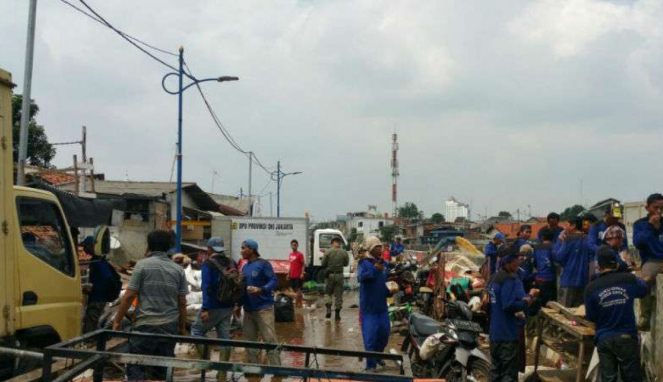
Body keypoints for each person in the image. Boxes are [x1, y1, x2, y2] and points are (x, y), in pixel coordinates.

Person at [112, 230, 188, 381]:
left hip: (144, 326)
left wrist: (117, 321)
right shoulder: (178, 270)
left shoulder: (142, 266)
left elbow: (129, 296)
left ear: (149, 245)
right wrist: (182, 327)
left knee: (136, 366)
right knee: (163, 370)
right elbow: (182, 303)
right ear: (169, 247)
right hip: (168, 327)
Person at [585, 246, 650, 382]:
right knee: (631, 378)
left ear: (599, 266)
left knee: (609, 378)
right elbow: (644, 290)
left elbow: (591, 316)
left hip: (604, 338)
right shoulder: (628, 279)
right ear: (616, 263)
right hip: (626, 337)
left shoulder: (591, 287)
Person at [487, 248, 539, 382]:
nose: (519, 263)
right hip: (507, 334)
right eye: (516, 260)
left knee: (495, 373)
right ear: (508, 261)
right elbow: (508, 305)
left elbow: (489, 304)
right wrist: (530, 297)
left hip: (495, 334)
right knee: (508, 374)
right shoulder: (509, 279)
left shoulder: (493, 278)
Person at [191, 237, 237, 379]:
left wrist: (205, 308)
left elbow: (206, 287)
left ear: (209, 249)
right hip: (228, 306)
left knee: (197, 331)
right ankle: (222, 373)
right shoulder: (232, 262)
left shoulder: (208, 263)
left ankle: (206, 362)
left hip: (212, 306)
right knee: (224, 338)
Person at [240, 239, 281, 367]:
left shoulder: (264, 264)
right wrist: (238, 304)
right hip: (248, 310)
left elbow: (274, 282)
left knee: (270, 340)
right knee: (250, 342)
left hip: (264, 309)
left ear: (251, 249)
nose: (241, 251)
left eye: (243, 248)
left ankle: (277, 371)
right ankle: (254, 371)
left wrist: (261, 289)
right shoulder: (245, 267)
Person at [358, 236, 391, 372]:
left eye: (380, 246)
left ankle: (377, 355)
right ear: (371, 249)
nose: (380, 249)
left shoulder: (383, 264)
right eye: (377, 247)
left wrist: (390, 291)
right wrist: (374, 269)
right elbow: (362, 278)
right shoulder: (364, 263)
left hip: (382, 306)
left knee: (384, 333)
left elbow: (383, 282)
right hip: (369, 308)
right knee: (370, 337)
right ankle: (370, 365)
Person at [633, 193, 663, 330]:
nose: (658, 211)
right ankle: (645, 316)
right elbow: (639, 243)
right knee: (645, 279)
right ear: (647, 207)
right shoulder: (640, 224)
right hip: (653, 260)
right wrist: (650, 226)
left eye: (661, 208)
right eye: (655, 207)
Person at [83, 236, 119, 333]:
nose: (84, 249)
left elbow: (107, 279)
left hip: (98, 298)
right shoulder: (97, 260)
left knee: (91, 324)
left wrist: (94, 288)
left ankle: (90, 342)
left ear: (91, 246)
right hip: (97, 296)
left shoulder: (99, 262)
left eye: (85, 246)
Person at [554, 217, 592, 308]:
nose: (564, 228)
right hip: (584, 281)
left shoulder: (568, 239)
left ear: (573, 226)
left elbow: (558, 257)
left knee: (565, 312)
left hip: (568, 281)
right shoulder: (588, 239)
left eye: (566, 225)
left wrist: (560, 241)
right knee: (579, 312)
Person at [322, 237, 349, 320]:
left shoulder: (328, 252)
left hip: (330, 275)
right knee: (338, 295)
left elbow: (323, 263)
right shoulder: (344, 252)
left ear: (332, 243)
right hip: (339, 275)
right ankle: (337, 314)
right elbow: (346, 264)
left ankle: (329, 310)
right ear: (339, 243)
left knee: (328, 293)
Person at [532, 230, 556, 309]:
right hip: (549, 279)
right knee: (549, 304)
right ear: (553, 239)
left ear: (542, 237)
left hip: (538, 278)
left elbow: (534, 263)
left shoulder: (536, 247)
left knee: (539, 302)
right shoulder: (553, 247)